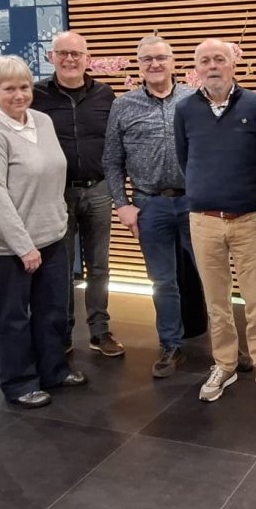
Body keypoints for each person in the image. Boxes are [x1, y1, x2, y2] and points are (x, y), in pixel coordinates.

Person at [0, 55, 87, 409]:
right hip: (7, 248)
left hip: (51, 236)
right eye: (8, 89)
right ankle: (19, 383)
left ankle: (54, 370)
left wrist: (58, 221)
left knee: (52, 311)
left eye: (23, 87)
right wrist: (23, 246)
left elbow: (53, 175)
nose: (19, 95)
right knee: (13, 317)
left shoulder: (43, 122)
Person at [174, 38, 256, 403]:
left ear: (232, 64)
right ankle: (224, 363)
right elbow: (184, 157)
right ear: (197, 68)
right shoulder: (186, 109)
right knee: (216, 301)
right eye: (204, 60)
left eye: (219, 59)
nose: (212, 66)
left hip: (249, 218)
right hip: (203, 221)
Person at [103, 36, 195, 377]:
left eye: (160, 58)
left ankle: (228, 348)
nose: (154, 65)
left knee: (211, 277)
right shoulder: (123, 106)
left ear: (173, 61)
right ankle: (171, 345)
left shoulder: (192, 98)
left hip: (194, 203)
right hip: (149, 204)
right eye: (146, 60)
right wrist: (122, 204)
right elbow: (111, 161)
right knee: (162, 280)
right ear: (138, 65)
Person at [31, 31, 124, 357]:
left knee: (99, 266)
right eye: (63, 53)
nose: (70, 59)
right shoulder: (36, 94)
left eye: (76, 54)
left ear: (87, 58)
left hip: (99, 190)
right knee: (61, 267)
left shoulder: (105, 94)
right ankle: (63, 332)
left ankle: (100, 331)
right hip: (57, 195)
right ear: (51, 57)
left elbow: (115, 142)